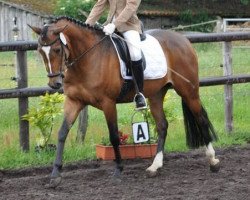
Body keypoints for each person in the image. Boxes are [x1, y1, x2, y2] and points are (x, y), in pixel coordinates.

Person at [85, 0, 147, 110]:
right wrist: (86, 25)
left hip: (128, 26)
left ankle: (139, 94)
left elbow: (131, 7)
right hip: (108, 26)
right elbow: (99, 5)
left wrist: (114, 25)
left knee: (135, 54)